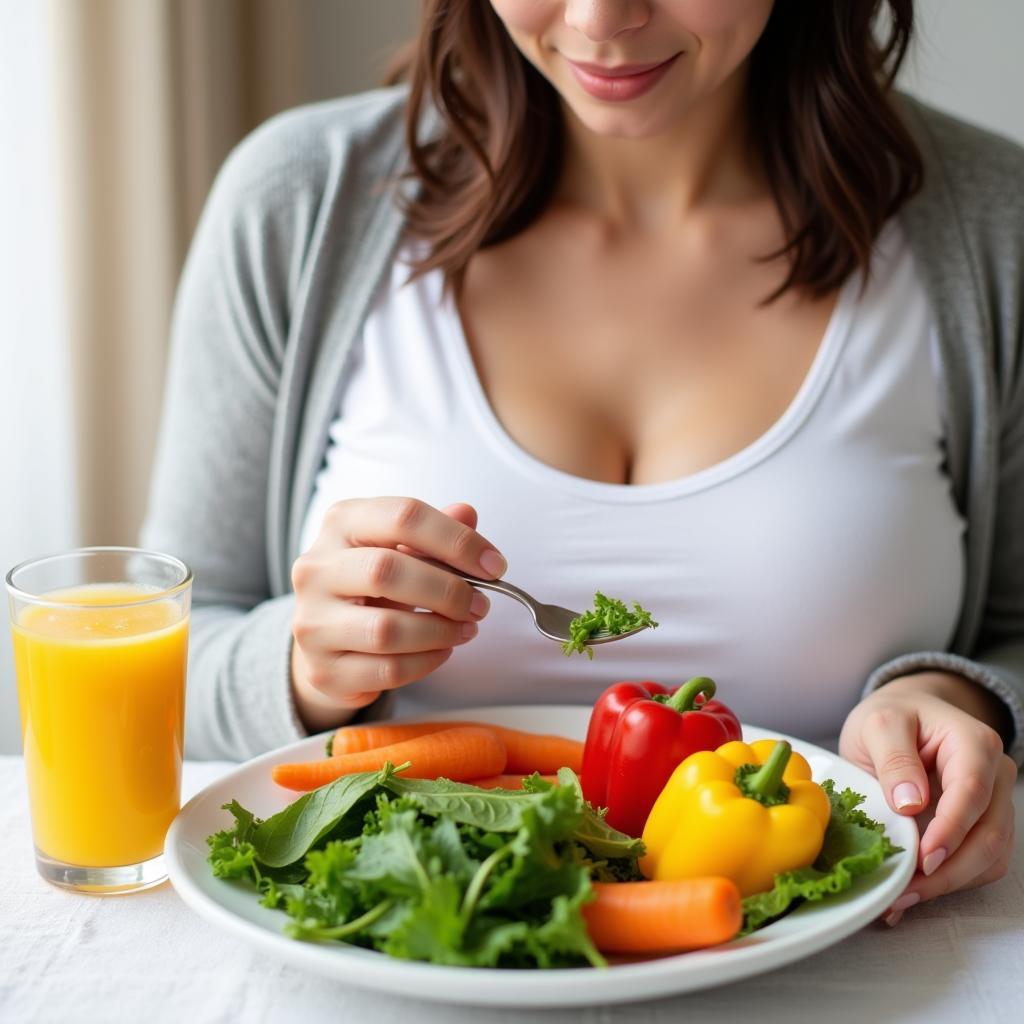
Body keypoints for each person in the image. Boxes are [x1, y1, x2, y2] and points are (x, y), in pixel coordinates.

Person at [142, 0, 1021, 925]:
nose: (602, 19)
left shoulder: (990, 226)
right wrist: (304, 672)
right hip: (396, 957)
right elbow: (166, 653)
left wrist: (955, 695)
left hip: (868, 963)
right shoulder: (298, 203)